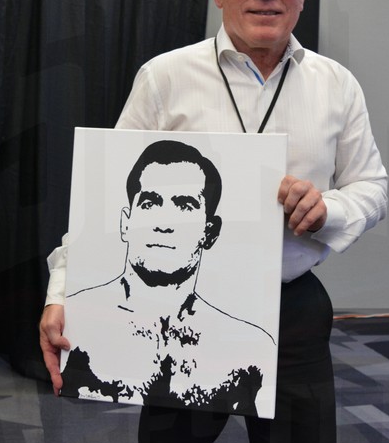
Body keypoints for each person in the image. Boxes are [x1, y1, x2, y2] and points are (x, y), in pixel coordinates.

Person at [40, 0, 388, 443]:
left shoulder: (337, 86)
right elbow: (108, 201)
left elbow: (371, 186)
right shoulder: (166, 77)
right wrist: (62, 292)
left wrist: (327, 208)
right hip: (173, 312)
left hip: (290, 311)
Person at [58, 138, 276, 416]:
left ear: (210, 232)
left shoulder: (250, 351)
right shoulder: (79, 323)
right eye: (150, 203)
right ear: (126, 222)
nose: (163, 224)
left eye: (184, 206)